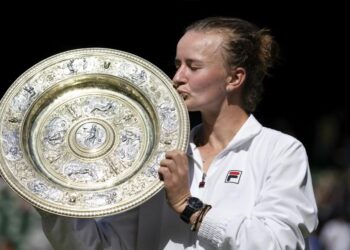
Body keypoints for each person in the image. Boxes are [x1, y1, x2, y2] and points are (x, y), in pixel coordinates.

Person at [38, 16, 318, 250]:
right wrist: (50, 197)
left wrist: (189, 206)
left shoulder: (280, 151)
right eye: (177, 65)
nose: (177, 78)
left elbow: (279, 244)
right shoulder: (155, 154)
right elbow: (107, 246)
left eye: (193, 67)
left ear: (234, 78)